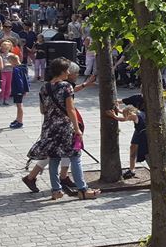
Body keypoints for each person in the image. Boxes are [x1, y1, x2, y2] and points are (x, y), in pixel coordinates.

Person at [26, 58, 100, 200]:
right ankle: (83, 190)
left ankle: (56, 191)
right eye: (66, 70)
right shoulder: (66, 86)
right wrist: (77, 129)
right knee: (75, 157)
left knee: (54, 158)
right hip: (65, 128)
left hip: (49, 127)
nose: (68, 72)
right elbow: (70, 109)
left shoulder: (44, 87)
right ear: (61, 71)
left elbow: (42, 110)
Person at [108, 97, 147, 179]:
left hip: (141, 134)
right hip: (140, 132)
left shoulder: (134, 116)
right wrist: (118, 110)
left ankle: (132, 169)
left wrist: (113, 116)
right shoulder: (138, 113)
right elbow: (126, 114)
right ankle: (132, 168)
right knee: (133, 147)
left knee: (141, 152)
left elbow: (123, 119)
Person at [8, 54, 30, 129]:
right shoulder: (23, 68)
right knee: (19, 105)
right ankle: (18, 119)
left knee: (19, 105)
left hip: (18, 89)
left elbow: (19, 81)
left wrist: (21, 90)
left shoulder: (16, 69)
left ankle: (20, 121)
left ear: (12, 62)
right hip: (22, 89)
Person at [0, 40, 15, 106]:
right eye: (3, 48)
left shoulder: (12, 55)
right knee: (2, 85)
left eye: (7, 48)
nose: (5, 49)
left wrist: (7, 65)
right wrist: (8, 64)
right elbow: (0, 65)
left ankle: (6, 98)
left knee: (8, 85)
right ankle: (0, 98)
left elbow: (15, 63)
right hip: (2, 72)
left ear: (9, 48)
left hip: (9, 72)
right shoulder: (0, 55)